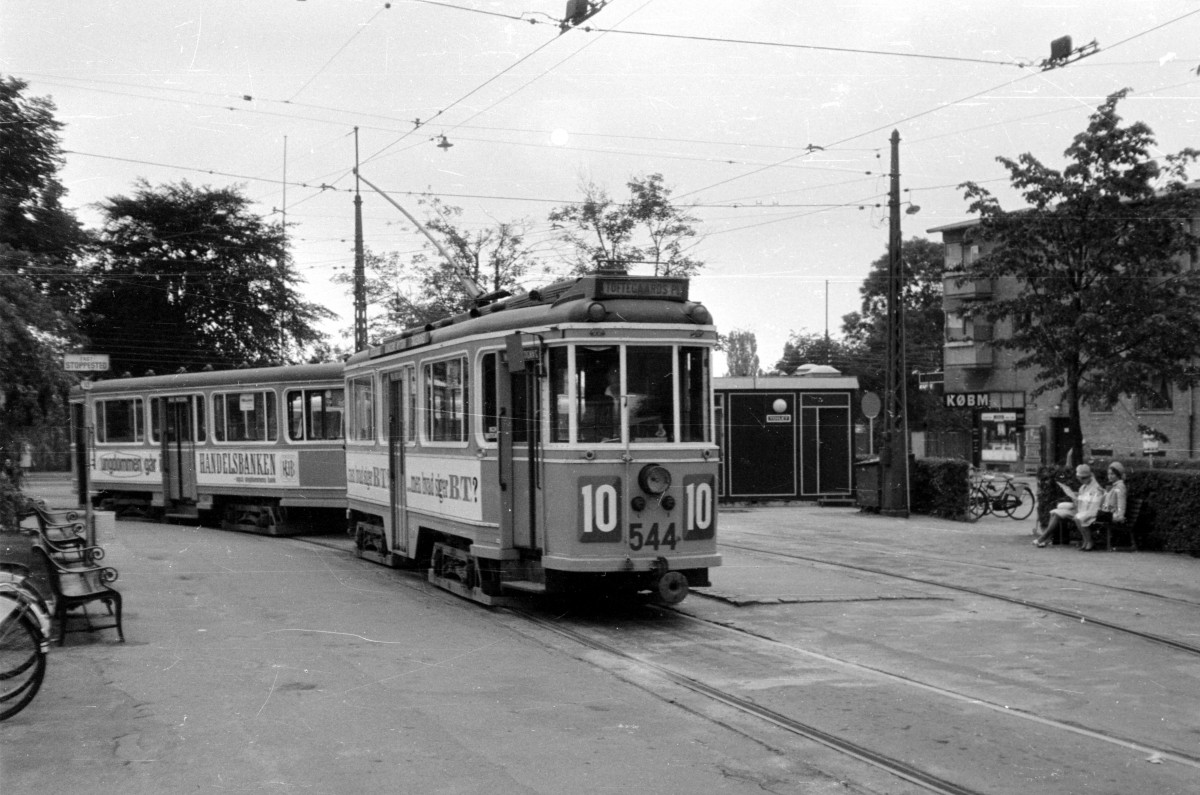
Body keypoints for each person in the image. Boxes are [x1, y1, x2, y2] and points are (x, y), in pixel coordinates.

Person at [1034, 464, 1104, 549]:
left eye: (1083, 478)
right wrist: (1075, 498)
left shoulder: (1096, 488)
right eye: (1079, 478)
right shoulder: (1083, 487)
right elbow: (1082, 501)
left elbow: (1093, 505)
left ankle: (1088, 541)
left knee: (1077, 517)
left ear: (1088, 476)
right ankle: (1045, 537)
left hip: (1086, 511)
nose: (1081, 480)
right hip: (1078, 509)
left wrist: (1078, 501)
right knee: (1055, 513)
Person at [1084, 461, 1128, 549]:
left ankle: (1089, 542)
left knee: (1085, 515)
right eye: (1108, 474)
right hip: (1107, 513)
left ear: (1118, 475)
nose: (1110, 476)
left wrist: (1120, 516)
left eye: (1112, 474)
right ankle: (1087, 541)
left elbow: (1121, 502)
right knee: (1084, 514)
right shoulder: (1115, 486)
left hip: (1112, 515)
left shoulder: (1120, 486)